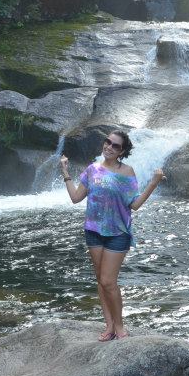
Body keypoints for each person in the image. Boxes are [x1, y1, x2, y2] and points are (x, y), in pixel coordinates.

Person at [60, 130, 164, 340]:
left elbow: (134, 204)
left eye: (115, 145)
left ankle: (120, 327)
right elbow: (75, 198)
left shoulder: (127, 172)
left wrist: (153, 182)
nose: (109, 147)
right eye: (107, 142)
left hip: (118, 233)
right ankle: (109, 326)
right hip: (93, 231)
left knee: (109, 281)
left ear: (122, 151)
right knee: (100, 280)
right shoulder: (92, 170)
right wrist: (65, 172)